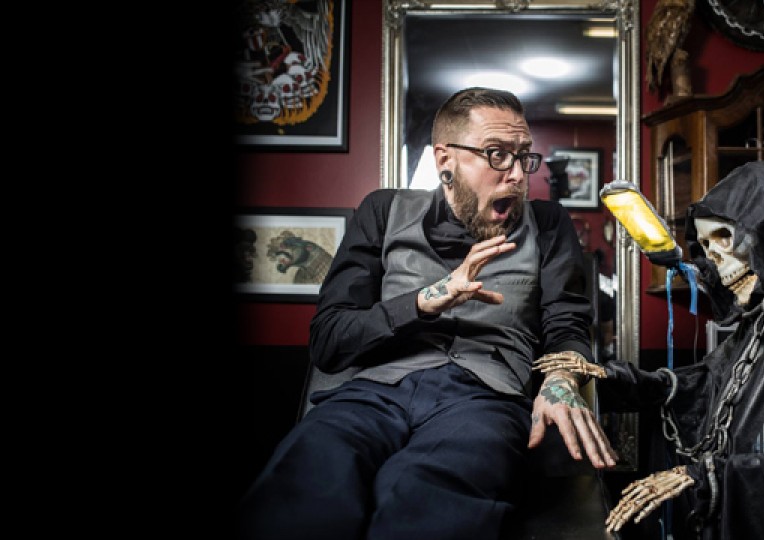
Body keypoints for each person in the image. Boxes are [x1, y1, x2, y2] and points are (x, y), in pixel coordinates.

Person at [235, 87, 617, 540]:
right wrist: (424, 301)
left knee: (430, 497)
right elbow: (330, 340)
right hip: (370, 395)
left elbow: (566, 325)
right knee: (307, 480)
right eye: (497, 154)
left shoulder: (548, 224)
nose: (517, 175)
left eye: (523, 156)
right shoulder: (383, 210)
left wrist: (561, 379)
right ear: (444, 160)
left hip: (483, 399)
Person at [596, 160, 764, 539]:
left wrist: (704, 475)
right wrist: (606, 377)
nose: (714, 259)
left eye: (724, 237)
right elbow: (703, 381)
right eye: (706, 246)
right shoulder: (756, 318)